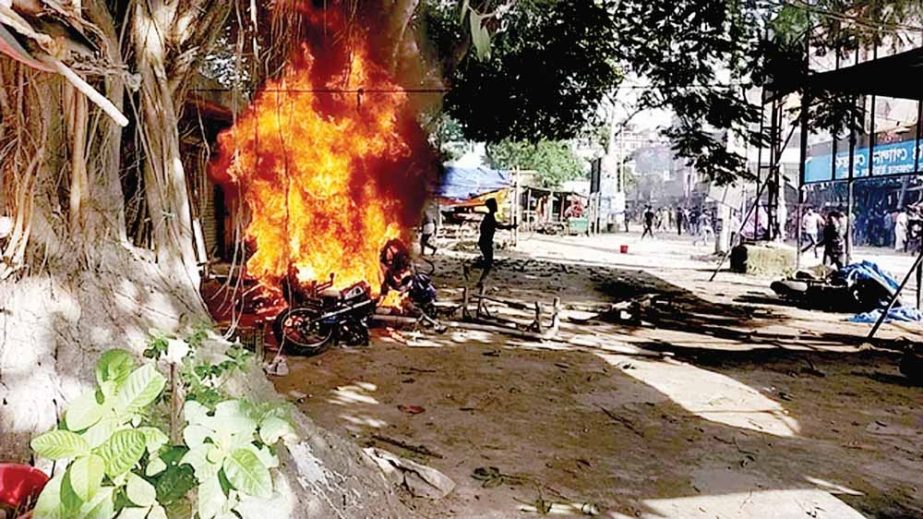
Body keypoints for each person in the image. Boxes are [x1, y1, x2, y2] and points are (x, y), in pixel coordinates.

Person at [466, 198, 516, 288]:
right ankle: (474, 272)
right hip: (486, 242)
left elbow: (497, 226)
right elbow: (498, 226)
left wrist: (509, 226)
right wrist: (510, 226)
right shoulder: (489, 217)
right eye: (495, 205)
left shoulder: (489, 217)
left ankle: (478, 276)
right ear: (492, 206)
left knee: (488, 262)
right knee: (488, 262)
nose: (496, 206)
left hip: (485, 241)